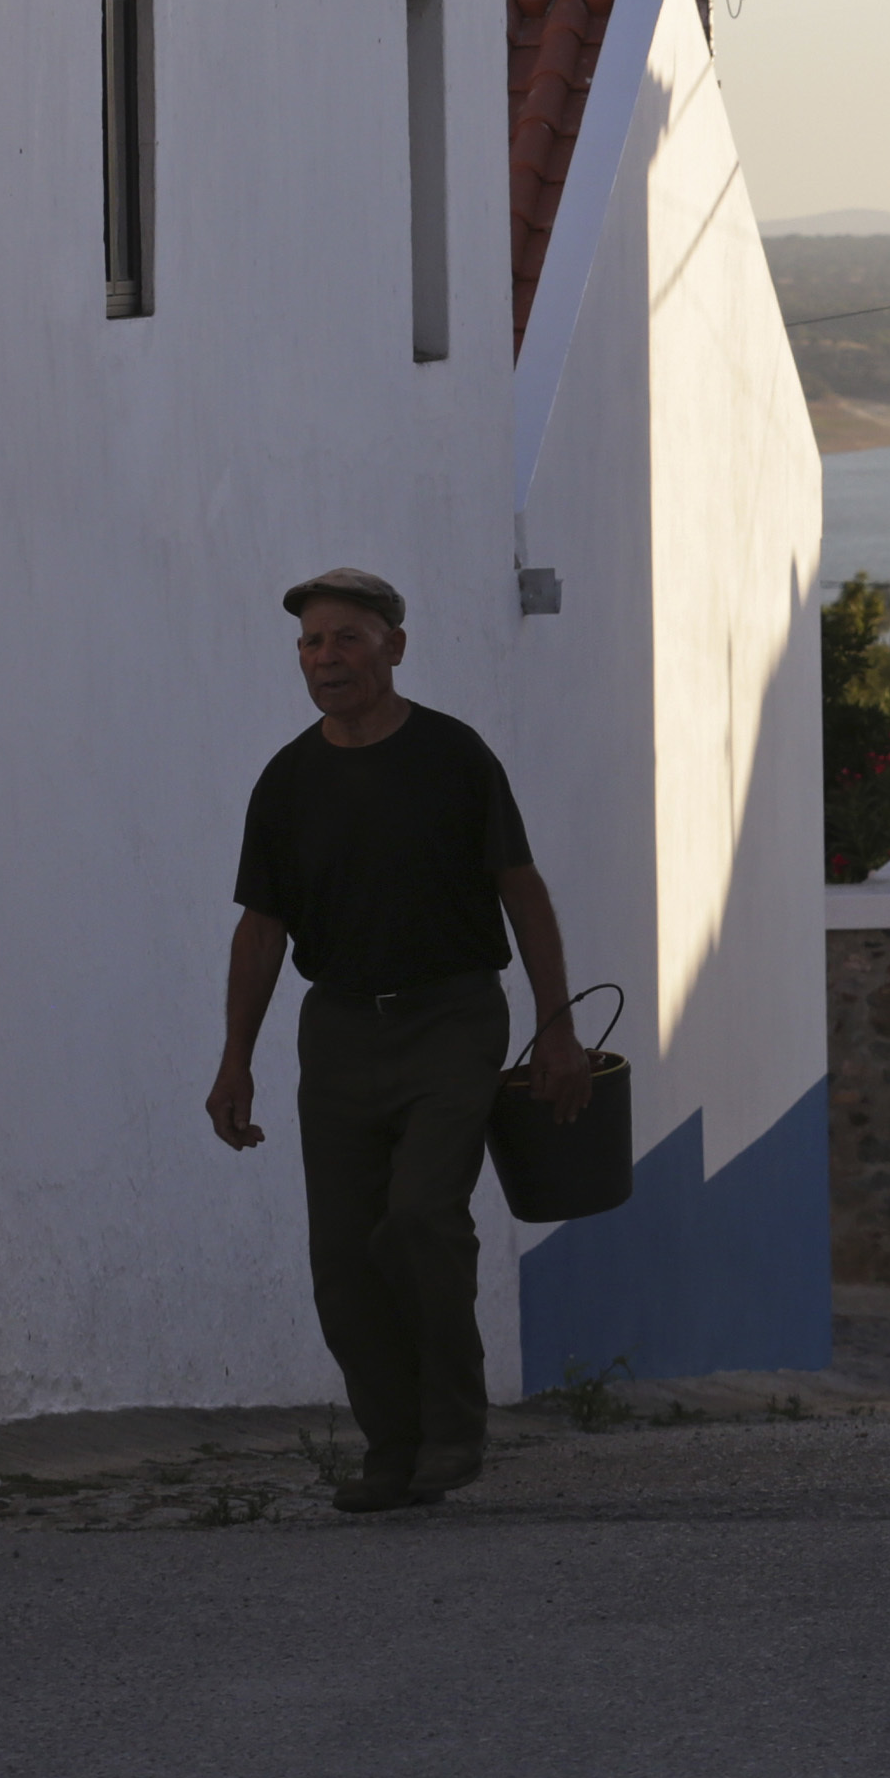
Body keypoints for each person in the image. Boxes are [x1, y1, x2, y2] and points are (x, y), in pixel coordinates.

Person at [208, 568, 594, 1513]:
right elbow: (261, 929)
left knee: (421, 1216)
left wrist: (556, 1027)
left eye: (346, 637)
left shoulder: (456, 758)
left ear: (395, 646)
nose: (325, 657)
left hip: (452, 1018)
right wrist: (235, 1058)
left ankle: (453, 1428)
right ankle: (393, 1448)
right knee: (343, 1257)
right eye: (310, 642)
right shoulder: (287, 780)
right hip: (336, 1031)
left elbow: (523, 893)